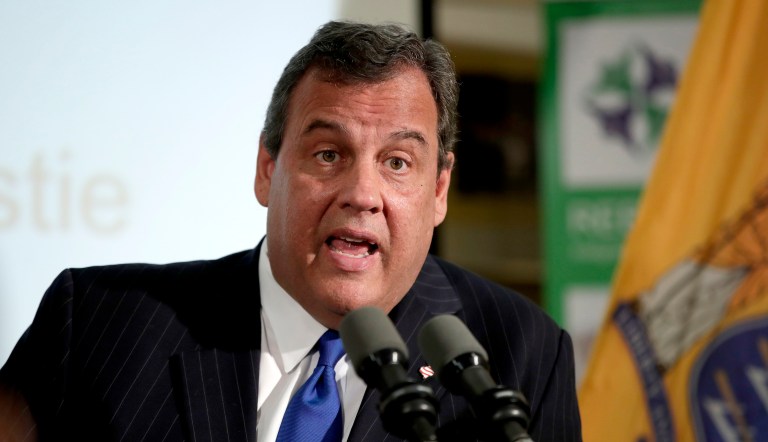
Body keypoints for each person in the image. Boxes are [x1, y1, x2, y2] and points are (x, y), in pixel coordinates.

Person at [0, 20, 581, 441]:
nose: (362, 193)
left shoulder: (517, 354)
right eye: (328, 154)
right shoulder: (100, 326)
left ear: (438, 191)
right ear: (267, 169)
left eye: (398, 162)